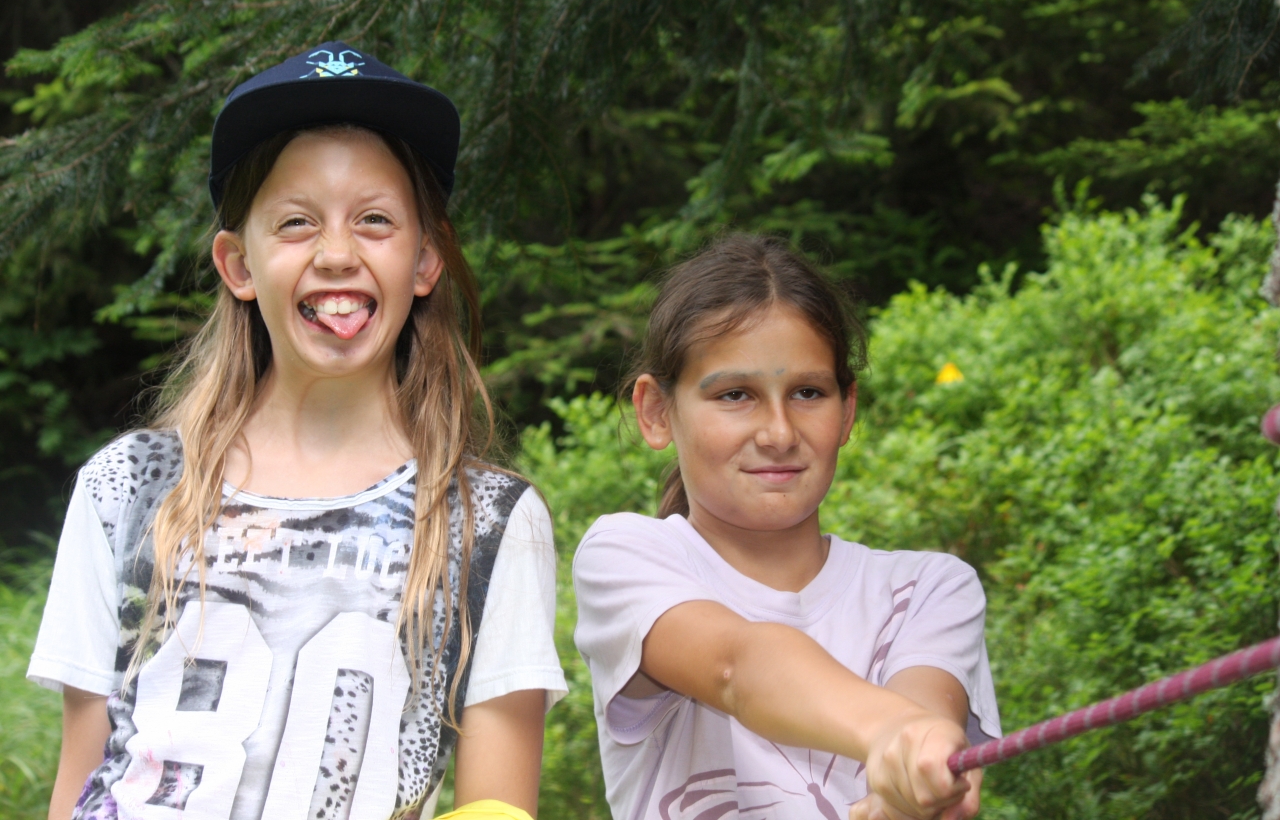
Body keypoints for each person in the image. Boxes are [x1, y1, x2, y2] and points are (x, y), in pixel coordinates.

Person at [27, 42, 566, 820]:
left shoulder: (488, 521)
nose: (337, 254)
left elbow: (497, 806)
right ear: (238, 265)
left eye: (374, 220)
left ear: (426, 259)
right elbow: (79, 781)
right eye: (296, 222)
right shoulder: (129, 486)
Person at [573, 234, 1002, 820]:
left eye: (807, 392)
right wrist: (898, 729)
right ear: (655, 411)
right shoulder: (628, 557)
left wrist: (914, 776)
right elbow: (737, 667)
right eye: (736, 394)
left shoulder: (928, 590)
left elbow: (923, 719)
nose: (779, 433)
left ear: (847, 411)